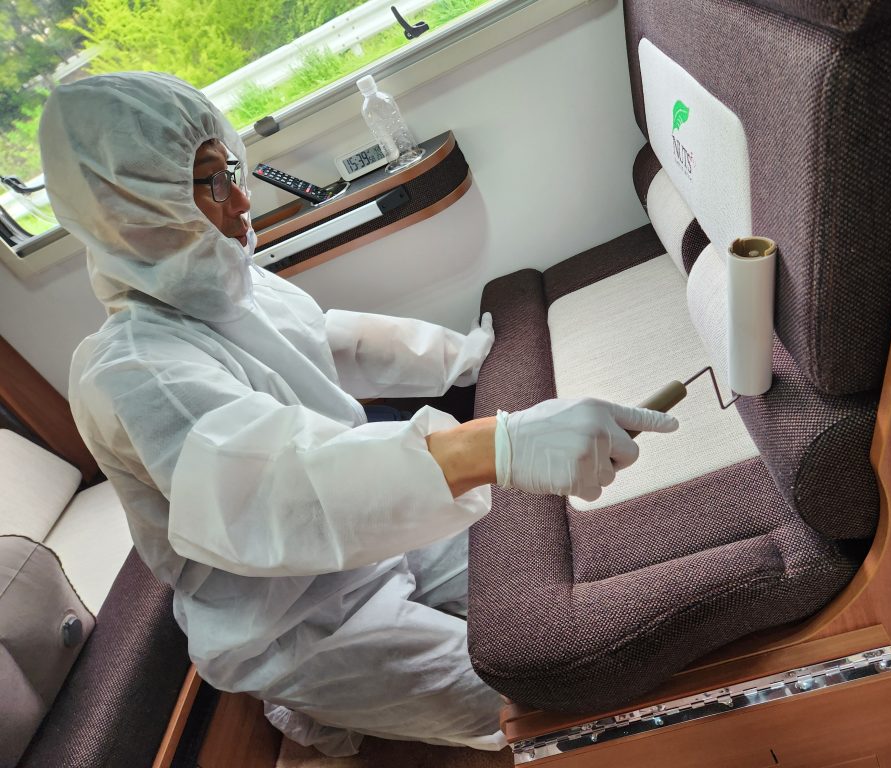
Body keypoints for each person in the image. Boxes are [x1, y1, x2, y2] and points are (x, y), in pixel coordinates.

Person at [38, 72, 678, 756]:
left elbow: (328, 341)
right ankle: (321, 702)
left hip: (374, 528)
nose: (243, 199)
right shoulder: (132, 375)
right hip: (296, 621)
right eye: (212, 183)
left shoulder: (228, 283)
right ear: (130, 209)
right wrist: (499, 444)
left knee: (573, 585)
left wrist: (466, 358)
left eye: (231, 169)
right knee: (532, 694)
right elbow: (282, 489)